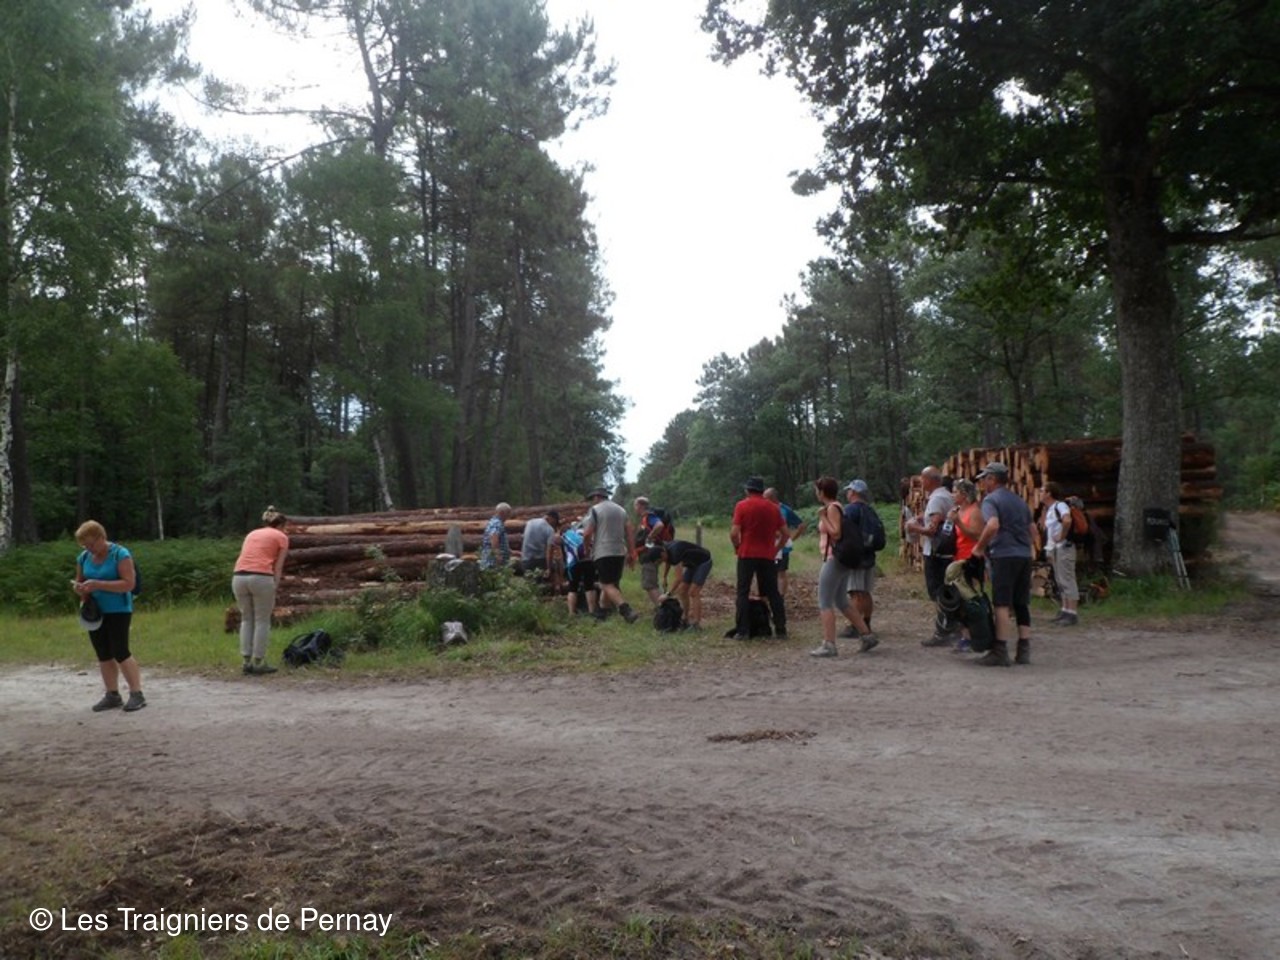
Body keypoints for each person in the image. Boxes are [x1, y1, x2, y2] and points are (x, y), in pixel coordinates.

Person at [73, 520, 145, 712]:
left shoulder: (120, 554)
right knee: (103, 653)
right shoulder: (83, 557)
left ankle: (136, 693)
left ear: (101, 538)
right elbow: (80, 581)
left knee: (120, 650)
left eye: (91, 544)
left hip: (119, 609)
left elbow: (129, 584)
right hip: (94, 611)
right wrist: (80, 588)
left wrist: (98, 584)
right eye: (85, 545)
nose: (89, 548)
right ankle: (112, 694)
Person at [971, 461, 1035, 667]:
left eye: (984, 479)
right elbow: (1033, 530)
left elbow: (992, 525)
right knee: (1021, 602)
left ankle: (1000, 650)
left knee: (1001, 603)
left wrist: (979, 547)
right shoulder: (1019, 501)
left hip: (1004, 556)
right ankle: (1024, 649)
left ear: (992, 479)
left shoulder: (991, 500)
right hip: (1024, 555)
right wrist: (1025, 547)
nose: (982, 483)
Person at [810, 477, 874, 657]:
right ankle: (866, 635)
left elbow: (836, 533)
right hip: (841, 559)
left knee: (824, 601)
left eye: (817, 490)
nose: (816, 493)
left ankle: (829, 644)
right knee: (841, 601)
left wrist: (822, 517)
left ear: (822, 492)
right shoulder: (837, 506)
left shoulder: (831, 508)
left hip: (834, 559)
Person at [232, 506, 291, 675]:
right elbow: (278, 566)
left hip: (239, 577)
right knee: (262, 620)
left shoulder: (252, 534)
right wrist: (275, 584)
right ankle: (258, 662)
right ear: (281, 525)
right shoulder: (281, 537)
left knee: (246, 619)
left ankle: (246, 661)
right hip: (261, 577)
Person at [730, 476, 788, 640]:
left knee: (743, 591)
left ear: (747, 490)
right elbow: (785, 534)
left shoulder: (742, 505)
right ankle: (781, 628)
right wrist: (776, 549)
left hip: (747, 553)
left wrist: (737, 547)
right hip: (767, 555)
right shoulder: (774, 508)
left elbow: (734, 533)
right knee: (773, 592)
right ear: (762, 491)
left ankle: (743, 630)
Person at [905, 465, 957, 646]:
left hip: (935, 553)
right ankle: (953, 628)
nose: (921, 481)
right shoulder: (947, 496)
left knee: (937, 593)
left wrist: (914, 527)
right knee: (947, 591)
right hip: (947, 553)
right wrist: (923, 517)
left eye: (923, 478)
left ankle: (943, 631)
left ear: (930, 480)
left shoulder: (936, 499)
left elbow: (932, 530)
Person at [581, 487, 640, 623]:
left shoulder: (595, 510)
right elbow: (629, 532)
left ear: (597, 497)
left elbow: (587, 533)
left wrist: (586, 549)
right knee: (610, 583)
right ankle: (602, 613)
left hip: (603, 551)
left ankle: (626, 610)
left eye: (593, 499)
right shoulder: (621, 510)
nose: (592, 501)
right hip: (619, 551)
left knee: (606, 584)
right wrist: (632, 552)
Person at [838, 479, 880, 650]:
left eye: (849, 491)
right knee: (866, 592)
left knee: (856, 593)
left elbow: (841, 531)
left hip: (856, 557)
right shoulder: (870, 510)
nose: (847, 493)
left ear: (854, 492)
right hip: (869, 555)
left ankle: (854, 625)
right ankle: (866, 622)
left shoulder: (851, 510)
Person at [1041, 481, 1080, 626]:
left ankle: (1072, 613)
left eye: (1042, 491)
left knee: (1067, 578)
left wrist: (1062, 536)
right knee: (1060, 579)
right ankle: (1065, 610)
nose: (1040, 493)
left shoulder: (1060, 505)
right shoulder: (1050, 509)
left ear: (1049, 493)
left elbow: (1067, 520)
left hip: (1064, 547)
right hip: (1055, 548)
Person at [655, 539, 713, 630]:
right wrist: (665, 577)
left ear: (662, 554)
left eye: (660, 561)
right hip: (692, 563)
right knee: (682, 591)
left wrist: (667, 594)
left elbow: (679, 578)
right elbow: (668, 561)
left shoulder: (675, 553)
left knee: (693, 592)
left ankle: (696, 624)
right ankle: (685, 619)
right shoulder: (665, 549)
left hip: (703, 561)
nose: (662, 562)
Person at [763, 487, 807, 601]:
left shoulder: (784, 510)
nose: (763, 500)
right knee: (767, 572)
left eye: (765, 498)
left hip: (782, 547)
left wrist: (791, 539)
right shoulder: (764, 509)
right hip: (767, 546)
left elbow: (801, 525)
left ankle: (780, 598)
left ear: (772, 498)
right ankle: (768, 595)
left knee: (781, 572)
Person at [632, 496, 667, 604]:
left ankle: (662, 608)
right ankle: (663, 606)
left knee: (649, 584)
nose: (635, 508)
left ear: (640, 506)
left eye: (635, 505)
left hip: (649, 554)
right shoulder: (645, 518)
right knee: (652, 582)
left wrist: (650, 537)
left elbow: (659, 525)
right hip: (650, 554)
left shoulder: (649, 517)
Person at [560, 519, 598, 616]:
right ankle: (592, 612)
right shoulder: (580, 532)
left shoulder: (564, 537)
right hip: (588, 560)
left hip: (574, 564)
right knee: (589, 586)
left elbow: (565, 555)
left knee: (572, 588)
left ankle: (571, 613)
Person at [518, 508, 558, 578]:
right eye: (555, 522)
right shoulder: (550, 529)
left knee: (529, 582)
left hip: (525, 560)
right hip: (539, 561)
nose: (554, 525)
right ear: (552, 518)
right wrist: (549, 568)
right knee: (554, 566)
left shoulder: (530, 522)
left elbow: (523, 539)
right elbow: (549, 551)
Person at [479, 502, 512, 569]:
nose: (509, 516)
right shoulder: (497, 523)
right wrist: (497, 555)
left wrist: (509, 551)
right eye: (508, 513)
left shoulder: (495, 522)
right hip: (492, 562)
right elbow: (494, 536)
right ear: (502, 512)